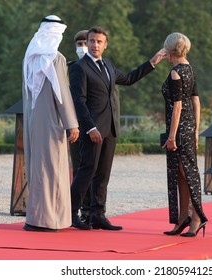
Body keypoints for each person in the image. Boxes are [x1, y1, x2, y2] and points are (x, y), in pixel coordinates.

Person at [69, 26, 166, 230]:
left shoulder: (109, 65)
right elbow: (79, 101)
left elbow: (129, 79)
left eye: (99, 42)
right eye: (91, 41)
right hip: (93, 130)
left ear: (105, 45)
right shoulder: (80, 67)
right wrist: (90, 128)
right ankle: (72, 213)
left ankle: (98, 215)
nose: (94, 45)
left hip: (110, 129)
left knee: (103, 175)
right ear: (87, 43)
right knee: (86, 171)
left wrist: (153, 62)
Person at [22, 15, 79, 232]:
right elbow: (61, 92)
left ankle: (35, 217)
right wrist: (71, 123)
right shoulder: (55, 57)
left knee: (37, 168)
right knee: (53, 169)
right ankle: (52, 220)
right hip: (52, 121)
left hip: (33, 120)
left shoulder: (30, 56)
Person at [161, 32, 208, 237]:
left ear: (170, 51)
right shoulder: (190, 69)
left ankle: (196, 218)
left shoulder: (176, 73)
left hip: (179, 129)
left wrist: (172, 137)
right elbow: (196, 102)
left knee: (186, 174)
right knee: (183, 174)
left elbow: (177, 107)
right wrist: (196, 131)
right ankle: (183, 218)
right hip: (188, 129)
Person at [67, 30, 91, 224]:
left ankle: (92, 210)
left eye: (85, 42)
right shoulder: (69, 68)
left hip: (95, 125)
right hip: (76, 125)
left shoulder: (101, 67)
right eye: (79, 44)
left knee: (95, 171)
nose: (82, 47)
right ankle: (77, 210)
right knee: (78, 168)